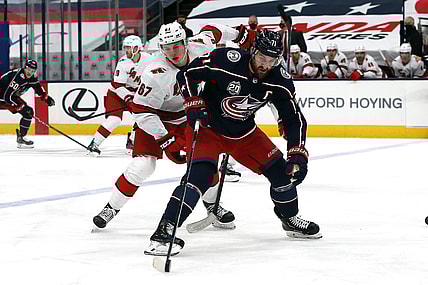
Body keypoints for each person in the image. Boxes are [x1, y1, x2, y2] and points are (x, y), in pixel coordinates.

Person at [144, 29, 322, 257]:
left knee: (283, 174)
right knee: (200, 176)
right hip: (208, 128)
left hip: (244, 134)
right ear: (253, 51)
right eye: (261, 58)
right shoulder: (225, 60)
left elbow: (294, 118)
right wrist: (194, 102)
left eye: (272, 60)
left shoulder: (280, 80)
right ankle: (164, 232)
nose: (265, 65)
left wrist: (297, 153)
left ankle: (289, 219)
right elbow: (188, 74)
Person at [92, 22, 245, 231]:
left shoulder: (200, 46)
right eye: (167, 48)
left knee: (204, 163)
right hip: (155, 118)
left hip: (188, 116)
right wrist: (164, 139)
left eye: (177, 45)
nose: (173, 52)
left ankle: (212, 205)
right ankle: (111, 207)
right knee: (143, 166)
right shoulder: (154, 72)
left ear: (186, 42)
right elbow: (142, 111)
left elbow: (213, 30)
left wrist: (239, 35)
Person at [87, 35, 151, 156]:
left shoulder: (149, 60)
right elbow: (117, 84)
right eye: (125, 48)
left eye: (129, 48)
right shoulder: (123, 62)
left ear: (137, 48)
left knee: (143, 117)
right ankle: (94, 143)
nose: (126, 50)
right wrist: (128, 98)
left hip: (135, 94)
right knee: (114, 119)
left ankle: (132, 141)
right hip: (116, 94)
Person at [0, 59, 55, 148]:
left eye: (32, 71)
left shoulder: (32, 78)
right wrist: (18, 106)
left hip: (9, 96)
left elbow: (39, 90)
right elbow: (6, 96)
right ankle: (21, 138)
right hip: (3, 96)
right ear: (24, 68)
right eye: (28, 69)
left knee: (28, 112)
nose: (30, 72)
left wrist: (47, 98)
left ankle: (21, 138)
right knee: (26, 110)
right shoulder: (18, 77)